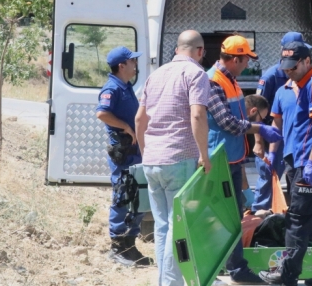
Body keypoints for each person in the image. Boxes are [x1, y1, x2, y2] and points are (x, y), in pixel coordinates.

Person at [135, 31, 212, 286]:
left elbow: (139, 119)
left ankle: (163, 280)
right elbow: (198, 115)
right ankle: (169, 283)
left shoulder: (155, 75)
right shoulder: (196, 74)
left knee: (161, 226)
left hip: (152, 160)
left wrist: (146, 152)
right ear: (200, 51)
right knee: (177, 226)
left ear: (177, 49)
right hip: (179, 158)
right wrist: (204, 154)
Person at [259, 41, 312, 286]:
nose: (289, 70)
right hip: (293, 161)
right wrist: (272, 153)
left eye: (294, 66)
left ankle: (287, 272)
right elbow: (277, 125)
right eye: (286, 67)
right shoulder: (285, 88)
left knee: (297, 219)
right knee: (306, 218)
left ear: (306, 61)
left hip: (309, 162)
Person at [206, 35, 283, 284]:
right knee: (220, 218)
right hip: (220, 160)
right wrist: (259, 129)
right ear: (235, 58)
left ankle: (236, 268)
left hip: (232, 158)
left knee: (233, 216)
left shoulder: (231, 81)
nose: (247, 65)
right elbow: (227, 122)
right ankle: (224, 268)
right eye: (245, 60)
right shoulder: (213, 82)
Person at [95, 46, 151, 267]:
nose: (135, 65)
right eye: (132, 62)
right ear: (122, 66)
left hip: (134, 154)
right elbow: (102, 113)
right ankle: (117, 248)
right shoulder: (112, 88)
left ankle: (129, 246)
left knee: (136, 198)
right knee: (122, 197)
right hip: (124, 152)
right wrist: (126, 127)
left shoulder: (125, 87)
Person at [253, 32, 312, 211]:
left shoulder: (306, 75)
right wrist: (258, 142)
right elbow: (255, 110)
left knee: (294, 180)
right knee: (268, 177)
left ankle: (282, 214)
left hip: (294, 138)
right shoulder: (271, 76)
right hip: (273, 137)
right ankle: (259, 217)